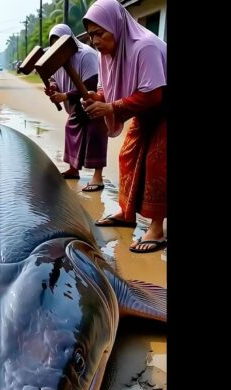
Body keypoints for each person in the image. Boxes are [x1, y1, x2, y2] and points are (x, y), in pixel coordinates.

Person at [82, 0, 167, 253]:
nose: (95, 41)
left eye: (99, 33)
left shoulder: (145, 47)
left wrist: (111, 108)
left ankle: (157, 229)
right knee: (127, 157)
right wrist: (96, 98)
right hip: (146, 111)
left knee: (157, 163)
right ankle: (127, 213)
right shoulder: (106, 53)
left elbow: (153, 95)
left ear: (115, 26)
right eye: (90, 35)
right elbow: (104, 90)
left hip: (163, 107)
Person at [43, 24, 108, 192]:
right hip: (74, 102)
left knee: (95, 133)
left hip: (93, 98)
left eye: (61, 43)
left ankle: (98, 177)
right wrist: (52, 87)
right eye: (54, 44)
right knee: (70, 128)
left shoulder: (86, 55)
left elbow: (90, 84)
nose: (58, 47)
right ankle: (73, 168)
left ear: (70, 41)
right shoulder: (56, 58)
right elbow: (55, 79)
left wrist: (64, 96)